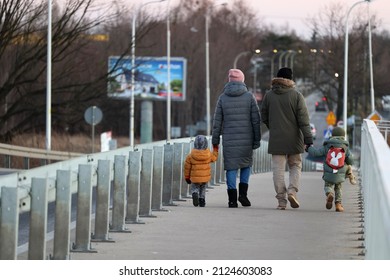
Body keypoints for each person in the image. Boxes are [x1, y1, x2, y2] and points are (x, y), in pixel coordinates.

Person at [260, 67, 313, 210]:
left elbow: (263, 116)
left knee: (278, 169)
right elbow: (304, 121)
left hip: (276, 139)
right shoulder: (297, 96)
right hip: (294, 139)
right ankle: (292, 191)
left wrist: (274, 127)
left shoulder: (269, 95)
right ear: (290, 79)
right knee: (295, 165)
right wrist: (308, 139)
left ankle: (281, 201)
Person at [212, 69, 261, 208]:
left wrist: (215, 141)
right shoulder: (249, 97)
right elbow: (255, 120)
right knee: (246, 165)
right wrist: (256, 140)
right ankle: (243, 195)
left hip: (229, 139)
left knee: (231, 168)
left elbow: (217, 123)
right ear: (242, 81)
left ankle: (232, 200)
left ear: (229, 81)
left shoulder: (222, 98)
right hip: (247, 139)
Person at [306, 126, 355, 212]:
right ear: (343, 136)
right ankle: (338, 205)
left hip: (329, 172)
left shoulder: (327, 145)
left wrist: (308, 148)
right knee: (338, 187)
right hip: (340, 172)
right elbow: (350, 160)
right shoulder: (345, 147)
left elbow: (316, 153)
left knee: (328, 185)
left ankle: (329, 194)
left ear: (332, 135)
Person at [184, 135, 218, 207]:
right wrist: (215, 149)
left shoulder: (190, 156)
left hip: (195, 177)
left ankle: (195, 193)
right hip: (205, 177)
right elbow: (214, 158)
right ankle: (202, 200)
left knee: (195, 187)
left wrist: (187, 177)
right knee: (203, 187)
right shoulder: (208, 155)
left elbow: (187, 167)